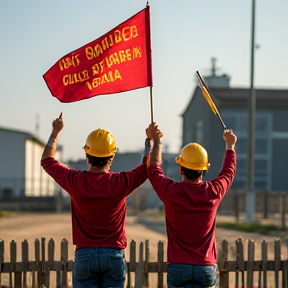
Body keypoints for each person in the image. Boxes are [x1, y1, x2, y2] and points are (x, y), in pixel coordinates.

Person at [41, 113, 151, 288]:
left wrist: (55, 133)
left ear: (87, 155)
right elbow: (147, 169)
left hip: (84, 255)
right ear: (111, 157)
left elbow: (47, 161)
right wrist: (149, 143)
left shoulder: (75, 180)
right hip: (113, 255)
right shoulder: (121, 182)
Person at [146, 123, 237, 288]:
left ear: (181, 169)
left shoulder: (170, 191)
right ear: (204, 170)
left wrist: (156, 142)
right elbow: (228, 173)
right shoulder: (213, 192)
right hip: (206, 266)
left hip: (178, 267)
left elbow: (153, 170)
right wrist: (230, 145)